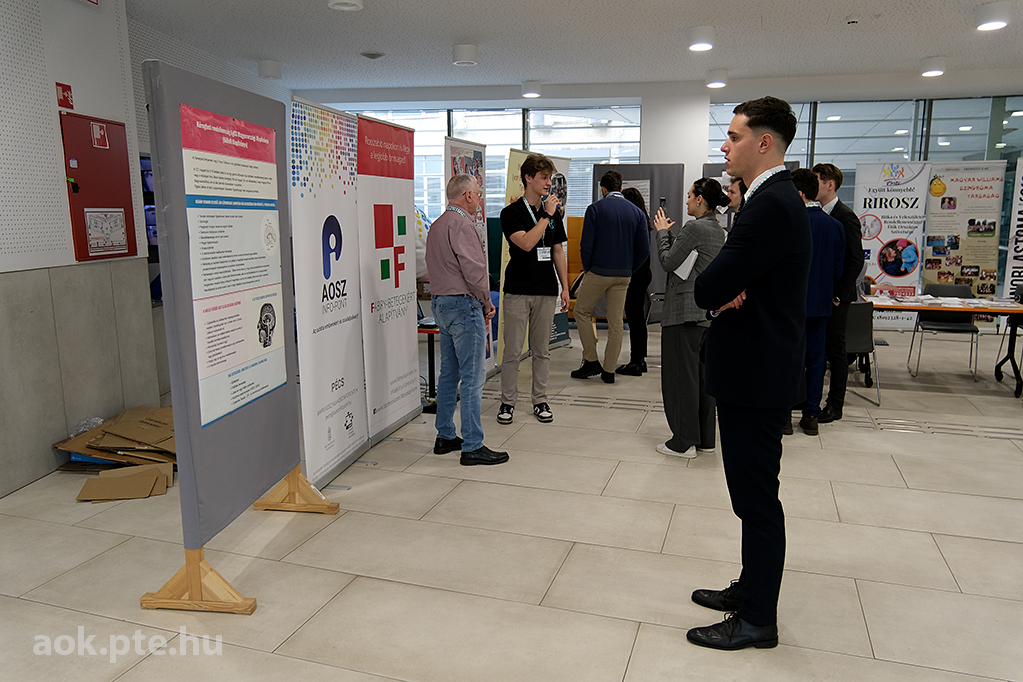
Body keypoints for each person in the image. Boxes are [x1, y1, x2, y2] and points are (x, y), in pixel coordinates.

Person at [689, 96, 812, 651]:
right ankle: (751, 587)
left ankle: (759, 619)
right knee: (749, 496)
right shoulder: (772, 200)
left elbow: (707, 286)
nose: (724, 145)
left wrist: (725, 289)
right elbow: (727, 284)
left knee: (757, 500)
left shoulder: (770, 206)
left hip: (757, 373)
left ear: (764, 143)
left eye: (734, 136)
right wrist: (728, 287)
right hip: (757, 368)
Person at [426, 174, 509, 466]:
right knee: (473, 378)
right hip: (464, 305)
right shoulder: (463, 224)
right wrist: (486, 301)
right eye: (478, 194)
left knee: (449, 374)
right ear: (468, 196)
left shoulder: (437, 225)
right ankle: (472, 445)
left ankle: (445, 435)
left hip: (441, 304)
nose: (480, 199)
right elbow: (474, 270)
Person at [652, 178, 726, 457]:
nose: (686, 201)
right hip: (705, 315)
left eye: (689, 196)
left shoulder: (694, 228)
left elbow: (668, 262)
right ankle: (704, 439)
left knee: (681, 379)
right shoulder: (717, 229)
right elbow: (688, 261)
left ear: (699, 199)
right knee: (702, 381)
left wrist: (662, 233)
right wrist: (672, 237)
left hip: (683, 313)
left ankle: (683, 442)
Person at [497, 153, 569, 425]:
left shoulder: (553, 212)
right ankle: (507, 402)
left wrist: (565, 287)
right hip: (518, 289)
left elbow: (557, 250)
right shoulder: (511, 213)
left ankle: (540, 400)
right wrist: (545, 216)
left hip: (546, 289)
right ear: (528, 178)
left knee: (542, 351)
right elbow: (526, 243)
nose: (549, 183)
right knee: (513, 351)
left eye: (550, 178)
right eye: (543, 177)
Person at [570, 170, 650, 384]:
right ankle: (609, 370)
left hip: (598, 271)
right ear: (621, 188)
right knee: (616, 321)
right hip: (623, 274)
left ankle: (591, 360)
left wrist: (588, 267)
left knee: (581, 312)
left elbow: (586, 244)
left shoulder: (595, 209)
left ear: (603, 189)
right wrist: (630, 268)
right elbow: (644, 248)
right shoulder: (637, 213)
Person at [790, 168, 845, 437]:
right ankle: (811, 414)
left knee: (790, 359)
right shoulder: (834, 226)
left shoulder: (791, 223)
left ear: (799, 193)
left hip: (792, 304)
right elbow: (838, 270)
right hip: (821, 305)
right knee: (816, 360)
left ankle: (783, 415)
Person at [812, 163, 863, 424]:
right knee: (817, 349)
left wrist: (838, 295)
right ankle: (810, 398)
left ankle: (835, 404)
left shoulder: (845, 216)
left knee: (835, 350)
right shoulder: (819, 214)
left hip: (837, 298)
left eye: (817, 181)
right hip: (820, 294)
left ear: (829, 184)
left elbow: (855, 260)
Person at [616, 187, 654, 376]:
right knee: (638, 318)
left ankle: (635, 361)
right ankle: (640, 359)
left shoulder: (633, 223)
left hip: (635, 275)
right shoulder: (644, 221)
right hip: (644, 273)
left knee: (634, 318)